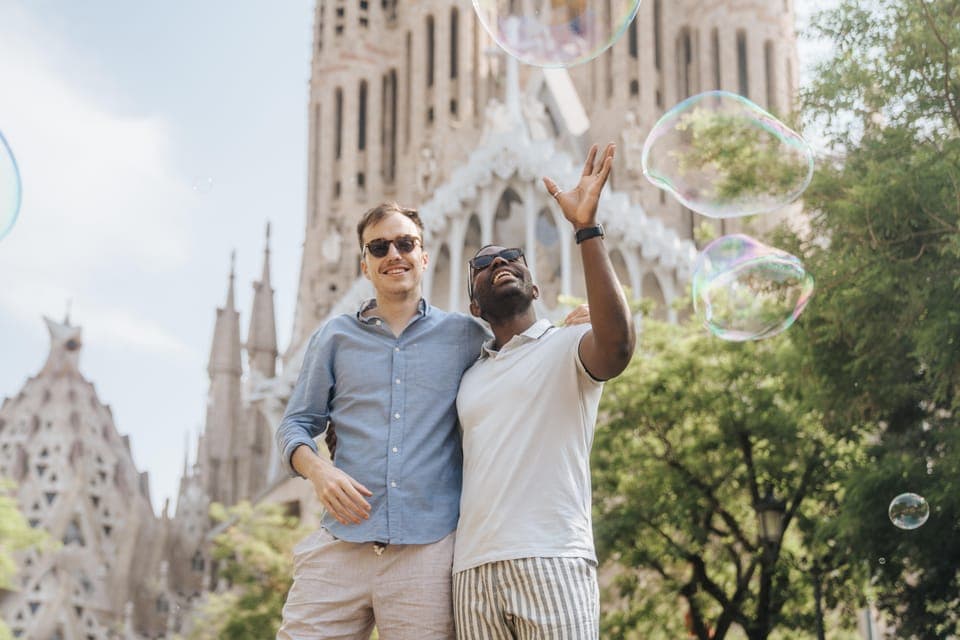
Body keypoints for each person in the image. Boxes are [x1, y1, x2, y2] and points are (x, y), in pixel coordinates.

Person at [274, 201, 587, 639]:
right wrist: (319, 471)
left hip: (426, 556)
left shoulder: (465, 335)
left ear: (423, 257)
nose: (393, 255)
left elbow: (519, 355)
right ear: (365, 265)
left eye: (405, 244)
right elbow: (295, 424)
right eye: (379, 247)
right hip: (341, 545)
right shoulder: (334, 337)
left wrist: (571, 329)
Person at [453, 142, 636, 639]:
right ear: (474, 307)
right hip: (471, 572)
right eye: (483, 264)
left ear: (535, 289)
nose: (499, 261)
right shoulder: (469, 377)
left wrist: (586, 229)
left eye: (512, 257)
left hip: (552, 557)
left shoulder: (568, 345)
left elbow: (617, 345)